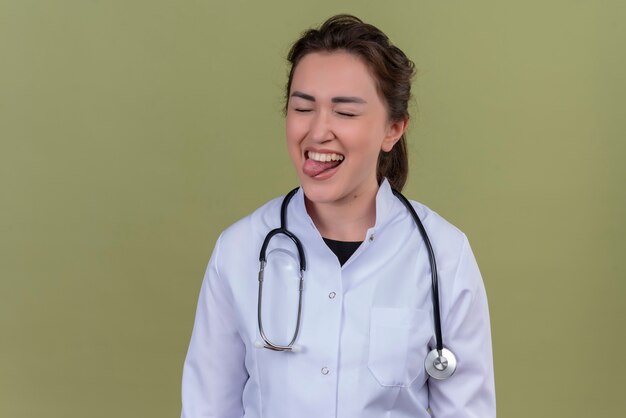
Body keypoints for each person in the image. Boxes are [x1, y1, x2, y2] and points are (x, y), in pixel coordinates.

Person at [181, 14, 496, 418]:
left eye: (345, 112)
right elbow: (208, 408)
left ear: (393, 129)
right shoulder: (239, 250)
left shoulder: (445, 256)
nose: (318, 132)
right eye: (303, 107)